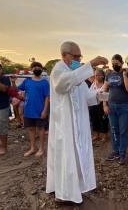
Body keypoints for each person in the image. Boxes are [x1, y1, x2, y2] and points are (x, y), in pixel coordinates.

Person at [46, 41, 108, 204]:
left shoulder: (76, 74)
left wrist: (100, 96)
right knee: (66, 157)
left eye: (80, 57)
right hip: (65, 124)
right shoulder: (59, 70)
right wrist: (91, 64)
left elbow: (87, 96)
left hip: (79, 123)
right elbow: (62, 84)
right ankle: (64, 194)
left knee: (78, 155)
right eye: (76, 56)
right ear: (64, 55)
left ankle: (77, 188)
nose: (79, 59)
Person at [13, 62, 50, 157]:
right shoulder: (27, 81)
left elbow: (47, 97)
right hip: (28, 110)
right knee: (31, 129)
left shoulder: (45, 82)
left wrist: (45, 110)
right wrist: (13, 82)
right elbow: (16, 90)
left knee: (41, 129)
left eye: (39, 67)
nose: (37, 68)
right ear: (31, 69)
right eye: (34, 67)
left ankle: (41, 148)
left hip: (40, 110)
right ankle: (33, 148)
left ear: (42, 69)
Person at [103, 54, 128, 165]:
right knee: (114, 130)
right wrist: (104, 105)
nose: (114, 64)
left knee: (123, 131)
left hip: (124, 106)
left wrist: (124, 75)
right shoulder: (109, 74)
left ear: (121, 62)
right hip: (112, 105)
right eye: (113, 62)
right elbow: (104, 91)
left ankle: (122, 154)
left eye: (116, 62)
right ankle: (115, 151)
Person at [89, 69, 109, 142]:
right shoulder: (93, 83)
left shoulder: (105, 84)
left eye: (97, 75)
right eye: (95, 75)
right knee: (94, 119)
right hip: (93, 104)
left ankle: (104, 135)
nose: (96, 76)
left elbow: (105, 94)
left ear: (102, 76)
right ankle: (96, 135)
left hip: (102, 104)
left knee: (103, 120)